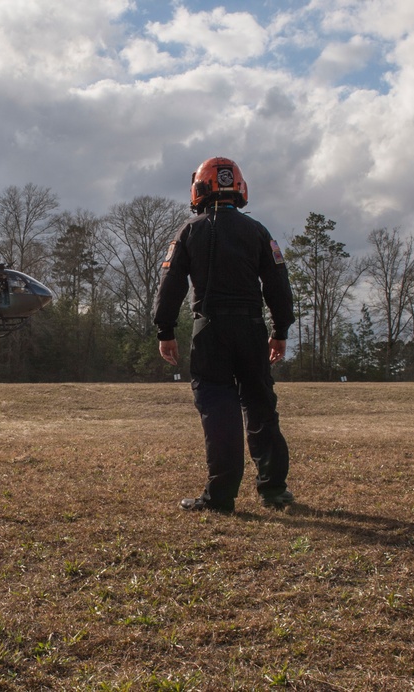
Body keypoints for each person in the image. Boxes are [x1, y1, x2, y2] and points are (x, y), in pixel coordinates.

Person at [152, 156, 295, 513]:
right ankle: (274, 490)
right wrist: (279, 330)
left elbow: (170, 285)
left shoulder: (189, 231)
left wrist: (165, 330)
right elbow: (278, 283)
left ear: (199, 189)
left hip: (210, 329)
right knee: (261, 407)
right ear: (240, 188)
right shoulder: (258, 231)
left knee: (219, 410)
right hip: (250, 327)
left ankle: (220, 498)